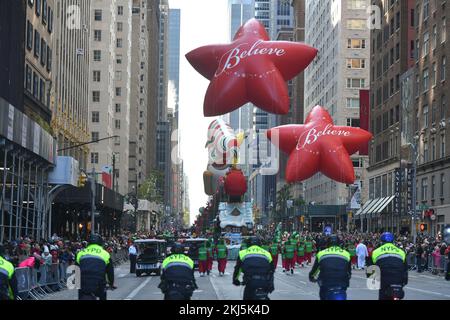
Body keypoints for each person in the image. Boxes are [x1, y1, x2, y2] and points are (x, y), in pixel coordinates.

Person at [309, 235, 351, 300]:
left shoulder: (321, 254)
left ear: (327, 243)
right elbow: (349, 272)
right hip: (341, 284)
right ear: (339, 243)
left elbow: (315, 270)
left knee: (323, 295)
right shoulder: (346, 254)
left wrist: (311, 277)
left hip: (326, 283)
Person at [368, 232, 408, 300]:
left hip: (384, 280)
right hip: (398, 280)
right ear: (393, 241)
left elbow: (371, 268)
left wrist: (373, 282)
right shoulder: (401, 252)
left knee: (383, 295)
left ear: (381, 241)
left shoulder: (376, 252)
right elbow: (405, 269)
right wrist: (404, 281)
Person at [75, 234, 116, 300]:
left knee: (81, 293)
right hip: (99, 282)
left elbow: (76, 269)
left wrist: (76, 283)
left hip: (84, 281)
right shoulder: (105, 254)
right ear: (100, 242)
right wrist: (111, 283)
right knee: (102, 294)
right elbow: (110, 271)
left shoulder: (81, 253)